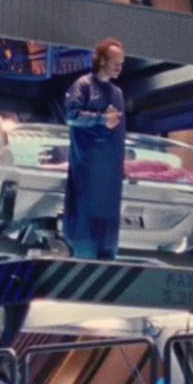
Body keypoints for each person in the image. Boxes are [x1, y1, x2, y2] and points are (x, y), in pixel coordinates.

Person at [61, 39, 126, 259]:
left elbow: (118, 131)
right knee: (84, 223)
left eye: (122, 63)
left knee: (107, 233)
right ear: (102, 60)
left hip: (109, 172)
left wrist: (120, 164)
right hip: (87, 166)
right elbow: (72, 116)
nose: (119, 67)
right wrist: (101, 119)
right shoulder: (83, 85)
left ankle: (106, 254)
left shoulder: (117, 93)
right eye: (116, 62)